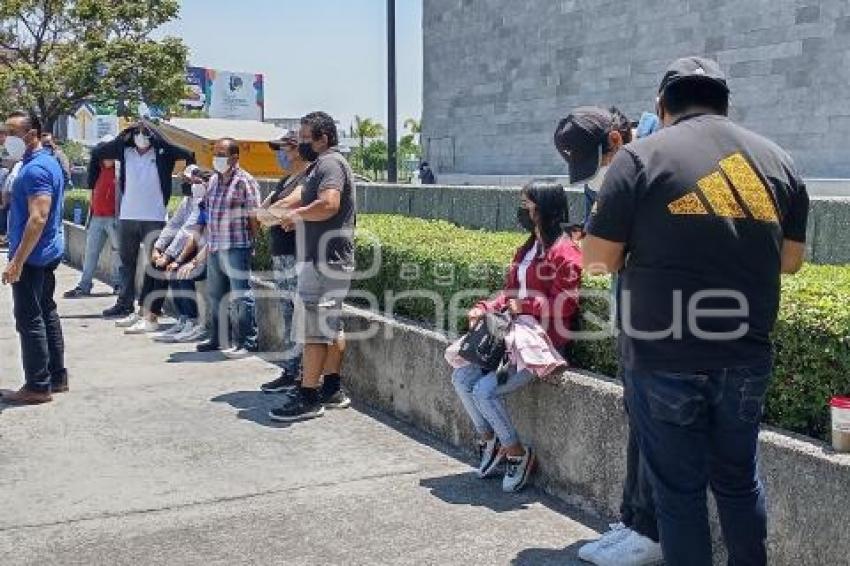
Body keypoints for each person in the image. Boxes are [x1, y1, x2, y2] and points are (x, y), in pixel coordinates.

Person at [583, 57, 810, 566]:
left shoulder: (640, 158)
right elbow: (791, 262)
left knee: (679, 495)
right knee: (737, 481)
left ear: (662, 106)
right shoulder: (777, 161)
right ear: (727, 104)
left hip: (664, 356)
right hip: (746, 356)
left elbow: (597, 262)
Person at [556, 107, 662, 566]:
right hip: (633, 310)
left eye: (594, 163)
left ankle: (649, 531)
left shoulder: (654, 159)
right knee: (637, 416)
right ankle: (635, 520)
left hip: (658, 314)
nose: (593, 178)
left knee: (650, 422)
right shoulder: (621, 165)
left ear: (615, 143)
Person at [451, 181, 582, 492]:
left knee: (484, 391)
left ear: (545, 209)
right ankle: (489, 441)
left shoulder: (565, 252)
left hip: (539, 344)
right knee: (460, 377)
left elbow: (566, 305)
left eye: (528, 204)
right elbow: (509, 293)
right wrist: (483, 307)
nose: (523, 210)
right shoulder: (527, 248)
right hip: (509, 337)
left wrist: (525, 305)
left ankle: (517, 454)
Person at [268, 111, 355, 421]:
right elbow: (310, 204)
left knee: (314, 332)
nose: (301, 143)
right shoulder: (321, 165)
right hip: (326, 260)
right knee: (330, 328)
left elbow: (329, 203)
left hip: (324, 260)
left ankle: (308, 397)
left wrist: (298, 216)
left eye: (306, 139)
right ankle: (331, 389)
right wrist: (292, 217)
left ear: (324, 139)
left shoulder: (330, 164)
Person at [95, 122, 195, 326]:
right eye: (137, 133)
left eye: (145, 133)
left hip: (155, 216)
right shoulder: (125, 151)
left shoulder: (162, 153)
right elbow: (99, 152)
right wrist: (123, 134)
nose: (141, 136)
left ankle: (151, 310)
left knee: (155, 265)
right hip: (128, 215)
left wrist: (158, 137)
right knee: (126, 264)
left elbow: (188, 154)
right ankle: (125, 303)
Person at [0, 111, 67, 405]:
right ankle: (56, 376)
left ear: (33, 134)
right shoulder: (43, 163)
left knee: (29, 319)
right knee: (46, 312)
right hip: (46, 252)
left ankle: (38, 386)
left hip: (33, 256)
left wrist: (17, 261)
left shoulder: (35, 169)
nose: (7, 138)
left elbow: (37, 217)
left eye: (13, 132)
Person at [195, 138, 260, 358]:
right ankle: (219, 338)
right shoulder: (213, 180)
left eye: (222, 154)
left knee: (241, 295)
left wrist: (254, 242)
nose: (217, 158)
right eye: (216, 153)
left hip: (236, 245)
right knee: (215, 295)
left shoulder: (245, 181)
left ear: (234, 158)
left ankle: (247, 341)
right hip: (215, 246)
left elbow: (253, 217)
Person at [260, 131, 311, 392]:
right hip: (281, 256)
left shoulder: (307, 180)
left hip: (297, 255)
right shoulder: (284, 181)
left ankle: (303, 373)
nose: (282, 155)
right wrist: (272, 213)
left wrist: (273, 212)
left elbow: (275, 211)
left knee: (300, 316)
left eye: (286, 149)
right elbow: (262, 214)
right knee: (288, 315)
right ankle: (291, 369)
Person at [142, 165, 207, 339]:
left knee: (177, 271)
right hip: (190, 251)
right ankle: (182, 318)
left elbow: (187, 232)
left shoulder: (202, 202)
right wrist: (158, 248)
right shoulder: (187, 201)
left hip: (203, 253)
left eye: (192, 181)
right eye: (185, 180)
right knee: (158, 267)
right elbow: (173, 225)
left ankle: (191, 321)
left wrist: (170, 256)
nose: (187, 184)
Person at [556, 107, 632, 230]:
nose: (591, 180)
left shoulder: (656, 164)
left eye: (594, 166)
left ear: (615, 140)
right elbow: (591, 226)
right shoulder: (592, 186)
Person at [64, 148, 121, 297]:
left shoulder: (121, 172)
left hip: (114, 217)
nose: (106, 159)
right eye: (104, 157)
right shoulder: (98, 171)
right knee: (90, 252)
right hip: (96, 217)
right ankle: (84, 285)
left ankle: (118, 284)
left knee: (118, 252)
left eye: (110, 156)